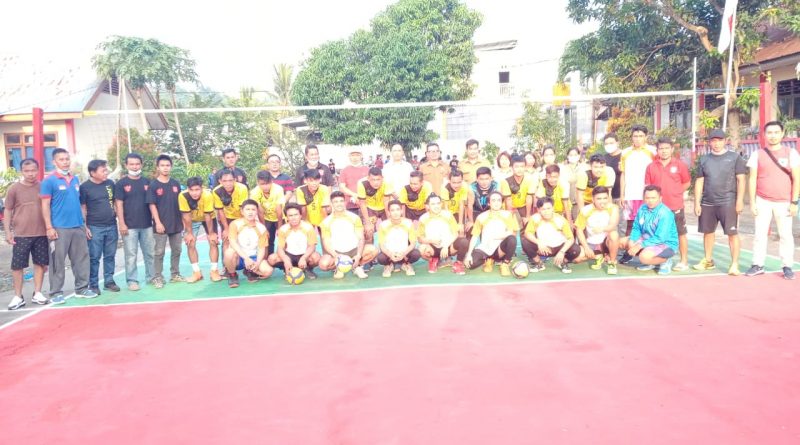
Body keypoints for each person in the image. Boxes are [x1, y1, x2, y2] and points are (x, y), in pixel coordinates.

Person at [745, 120, 800, 279]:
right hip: (763, 200)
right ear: (764, 135)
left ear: (782, 134)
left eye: (776, 132)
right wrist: (753, 202)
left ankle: (787, 266)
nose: (773, 136)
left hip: (784, 202)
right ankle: (757, 264)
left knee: (786, 235)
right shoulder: (757, 154)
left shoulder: (791, 153)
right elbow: (752, 179)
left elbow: (797, 179)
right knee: (760, 234)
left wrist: (794, 202)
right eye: (769, 132)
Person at [40, 148, 96, 303]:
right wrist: (49, 227)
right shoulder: (49, 181)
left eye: (67, 159)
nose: (65, 162)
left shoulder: (75, 179)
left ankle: (82, 288)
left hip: (77, 226)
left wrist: (84, 225)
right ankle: (55, 292)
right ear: (54, 162)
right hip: (59, 228)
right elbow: (45, 205)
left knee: (81, 259)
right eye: (61, 159)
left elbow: (78, 203)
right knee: (57, 261)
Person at [693, 129, 747, 275]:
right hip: (707, 202)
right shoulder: (704, 159)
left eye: (719, 140)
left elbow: (741, 180)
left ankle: (734, 264)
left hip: (728, 202)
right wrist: (697, 202)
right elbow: (699, 181)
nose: (716, 144)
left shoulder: (735, 158)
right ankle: (708, 260)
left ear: (725, 141)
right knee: (708, 232)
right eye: (713, 141)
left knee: (732, 233)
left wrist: (739, 201)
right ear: (709, 142)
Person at [5, 158, 49, 309]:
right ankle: (18, 296)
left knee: (40, 263)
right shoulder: (14, 189)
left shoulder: (44, 187)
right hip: (21, 234)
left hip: (41, 232)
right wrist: (8, 232)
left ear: (38, 170)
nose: (30, 174)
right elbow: (8, 210)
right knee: (17, 266)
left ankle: (38, 293)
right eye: (27, 171)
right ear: (21, 171)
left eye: (33, 170)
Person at [644, 137, 691, 271]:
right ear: (657, 150)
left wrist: (676, 192)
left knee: (680, 233)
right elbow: (648, 186)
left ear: (672, 149)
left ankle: (684, 261)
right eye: (661, 149)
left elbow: (687, 182)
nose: (664, 151)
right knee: (654, 234)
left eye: (666, 148)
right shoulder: (651, 166)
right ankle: (654, 260)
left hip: (675, 206)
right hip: (656, 208)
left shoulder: (680, 165)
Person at [115, 152, 155, 291]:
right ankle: (132, 281)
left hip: (147, 225)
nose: (135, 166)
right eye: (131, 164)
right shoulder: (121, 184)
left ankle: (151, 277)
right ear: (126, 165)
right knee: (131, 255)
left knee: (150, 253)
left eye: (137, 164)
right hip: (129, 226)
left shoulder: (147, 182)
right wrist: (121, 223)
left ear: (141, 165)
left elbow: (152, 203)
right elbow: (118, 204)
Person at [80, 159, 119, 295]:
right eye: (103, 170)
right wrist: (85, 227)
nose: (106, 172)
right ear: (93, 173)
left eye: (106, 170)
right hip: (95, 227)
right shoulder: (85, 187)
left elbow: (114, 202)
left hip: (112, 225)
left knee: (110, 256)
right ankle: (94, 284)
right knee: (94, 257)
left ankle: (109, 281)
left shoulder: (110, 184)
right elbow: (83, 207)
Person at [619, 185, 678, 274]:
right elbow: (636, 227)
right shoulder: (642, 208)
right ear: (644, 198)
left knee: (644, 258)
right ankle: (651, 262)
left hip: (665, 243)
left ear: (660, 198)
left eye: (653, 198)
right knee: (622, 242)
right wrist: (632, 240)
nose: (650, 201)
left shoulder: (665, 213)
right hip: (647, 239)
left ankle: (665, 261)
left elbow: (660, 238)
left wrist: (639, 246)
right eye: (647, 198)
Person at [318, 191, 377, 279]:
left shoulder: (354, 217)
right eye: (336, 202)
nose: (339, 204)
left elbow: (361, 238)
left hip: (354, 250)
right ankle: (339, 268)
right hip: (337, 252)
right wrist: (335, 255)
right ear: (331, 204)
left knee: (373, 250)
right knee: (323, 264)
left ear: (345, 202)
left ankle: (357, 267)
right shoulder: (326, 222)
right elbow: (326, 242)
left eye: (341, 201)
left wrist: (358, 255)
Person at [147, 154, 184, 288]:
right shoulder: (153, 185)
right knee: (159, 252)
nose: (165, 168)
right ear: (158, 167)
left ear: (171, 167)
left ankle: (175, 274)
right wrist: (157, 222)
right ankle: (157, 277)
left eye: (167, 165)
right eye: (162, 165)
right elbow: (152, 205)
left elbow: (181, 203)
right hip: (161, 225)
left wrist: (183, 221)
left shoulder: (175, 184)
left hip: (176, 223)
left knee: (177, 250)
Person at [463, 191, 518, 276]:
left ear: (502, 203)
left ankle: (505, 264)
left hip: (499, 249)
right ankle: (489, 260)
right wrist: (469, 254)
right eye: (493, 200)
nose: (496, 203)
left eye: (499, 200)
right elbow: (475, 236)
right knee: (470, 264)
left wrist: (496, 237)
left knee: (512, 239)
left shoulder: (507, 215)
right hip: (485, 248)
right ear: (489, 203)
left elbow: (512, 232)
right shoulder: (481, 217)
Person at [521, 197, 582, 273]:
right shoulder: (535, 219)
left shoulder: (561, 220)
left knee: (576, 249)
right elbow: (527, 233)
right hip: (544, 249)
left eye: (548, 208)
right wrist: (539, 242)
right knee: (525, 242)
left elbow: (570, 238)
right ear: (538, 210)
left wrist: (562, 251)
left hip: (559, 247)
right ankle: (539, 263)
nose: (546, 212)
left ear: (553, 208)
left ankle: (563, 262)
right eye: (543, 209)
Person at [179, 176, 222, 283]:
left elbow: (207, 216)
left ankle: (214, 270)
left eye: (197, 189)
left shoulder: (207, 195)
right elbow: (186, 216)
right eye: (191, 190)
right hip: (192, 219)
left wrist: (211, 233)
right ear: (188, 189)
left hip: (208, 218)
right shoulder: (182, 196)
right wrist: (189, 233)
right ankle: (196, 272)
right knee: (190, 243)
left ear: (201, 188)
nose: (194, 193)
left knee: (213, 241)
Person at [223, 199, 274, 287]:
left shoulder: (261, 228)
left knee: (268, 271)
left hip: (253, 257)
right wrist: (246, 258)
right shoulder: (235, 224)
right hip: (239, 257)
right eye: (247, 209)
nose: (250, 212)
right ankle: (232, 274)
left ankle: (249, 270)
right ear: (242, 212)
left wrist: (257, 263)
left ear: (257, 212)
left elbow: (261, 248)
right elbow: (233, 243)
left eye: (253, 210)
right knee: (228, 253)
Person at [619, 125, 656, 241]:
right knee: (630, 225)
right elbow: (623, 174)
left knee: (648, 224)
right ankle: (629, 249)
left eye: (641, 136)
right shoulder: (625, 152)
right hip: (630, 194)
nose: (638, 139)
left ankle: (646, 248)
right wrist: (622, 195)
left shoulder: (653, 152)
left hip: (647, 195)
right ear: (631, 137)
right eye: (635, 136)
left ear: (646, 137)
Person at [417, 194, 469, 274]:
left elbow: (455, 234)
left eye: (438, 203)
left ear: (441, 204)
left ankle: (458, 264)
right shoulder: (423, 218)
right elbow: (420, 239)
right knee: (421, 249)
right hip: (433, 247)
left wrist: (446, 246)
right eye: (433, 204)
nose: (436, 206)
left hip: (448, 247)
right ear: (427, 206)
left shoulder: (448, 215)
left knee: (464, 242)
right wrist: (431, 240)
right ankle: (433, 260)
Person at [267, 203, 321, 280]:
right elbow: (280, 248)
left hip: (304, 254)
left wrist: (304, 258)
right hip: (289, 255)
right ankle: (287, 268)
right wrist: (286, 260)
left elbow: (312, 246)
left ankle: (307, 269)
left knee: (316, 257)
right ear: (286, 217)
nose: (294, 218)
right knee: (271, 259)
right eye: (290, 215)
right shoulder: (283, 229)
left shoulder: (308, 227)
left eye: (296, 215)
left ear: (300, 215)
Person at [573, 186, 620, 275]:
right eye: (599, 199)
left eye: (605, 198)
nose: (602, 201)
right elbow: (579, 230)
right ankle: (599, 256)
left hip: (606, 243)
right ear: (593, 199)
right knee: (577, 259)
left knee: (614, 234)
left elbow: (613, 225)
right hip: (592, 242)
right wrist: (586, 248)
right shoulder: (585, 210)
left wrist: (602, 229)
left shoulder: (613, 208)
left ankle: (612, 262)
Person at [376, 200, 421, 277]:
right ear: (389, 212)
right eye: (392, 210)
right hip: (390, 253)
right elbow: (382, 245)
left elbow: (413, 243)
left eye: (397, 209)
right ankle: (389, 265)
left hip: (404, 253)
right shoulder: (383, 225)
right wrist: (390, 255)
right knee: (380, 258)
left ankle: (406, 264)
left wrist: (403, 253)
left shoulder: (408, 223)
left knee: (416, 254)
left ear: (401, 211)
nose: (395, 212)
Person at [213, 168, 250, 251]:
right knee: (226, 239)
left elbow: (243, 209)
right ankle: (226, 259)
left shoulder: (242, 188)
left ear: (235, 180)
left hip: (241, 216)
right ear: (220, 181)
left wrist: (243, 224)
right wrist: (226, 229)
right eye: (224, 181)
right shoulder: (216, 191)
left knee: (242, 239)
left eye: (230, 180)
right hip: (226, 218)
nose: (228, 183)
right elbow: (220, 211)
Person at [250, 170, 285, 255]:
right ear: (258, 183)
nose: (265, 186)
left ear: (271, 181)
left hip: (280, 217)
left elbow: (279, 209)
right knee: (267, 239)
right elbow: (260, 211)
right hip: (266, 218)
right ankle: (268, 258)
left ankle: (283, 259)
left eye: (268, 183)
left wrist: (279, 227)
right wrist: (264, 228)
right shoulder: (254, 192)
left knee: (283, 239)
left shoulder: (278, 189)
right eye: (262, 184)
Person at [499, 154, 536, 226]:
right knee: (512, 224)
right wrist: (510, 216)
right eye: (516, 167)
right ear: (512, 168)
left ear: (525, 167)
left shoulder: (530, 180)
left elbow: (529, 198)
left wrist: (527, 216)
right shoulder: (506, 181)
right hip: (510, 207)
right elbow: (508, 200)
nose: (519, 169)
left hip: (523, 206)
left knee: (528, 223)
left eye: (522, 166)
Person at [357, 167, 392, 240]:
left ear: (382, 178)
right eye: (373, 180)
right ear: (368, 178)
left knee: (390, 227)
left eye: (378, 179)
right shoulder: (361, 183)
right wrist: (367, 222)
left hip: (384, 207)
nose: (376, 182)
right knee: (369, 231)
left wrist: (389, 219)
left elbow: (386, 201)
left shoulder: (387, 182)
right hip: (369, 207)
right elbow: (362, 203)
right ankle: (371, 245)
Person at [337, 147, 370, 214]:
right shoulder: (344, 170)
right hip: (350, 205)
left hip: (366, 204)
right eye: (352, 155)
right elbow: (342, 187)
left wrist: (361, 197)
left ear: (361, 156)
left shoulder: (367, 170)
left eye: (357, 155)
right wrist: (354, 195)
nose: (355, 158)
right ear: (349, 157)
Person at [440, 169, 469, 238]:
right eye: (454, 183)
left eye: (459, 182)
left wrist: (460, 223)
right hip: (446, 212)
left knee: (461, 231)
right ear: (449, 181)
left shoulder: (464, 187)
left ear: (462, 180)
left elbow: (461, 205)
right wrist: (452, 224)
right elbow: (446, 208)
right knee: (451, 231)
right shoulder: (444, 188)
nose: (456, 185)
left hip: (458, 211)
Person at [561, 147, 586, 220]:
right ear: (567, 156)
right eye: (571, 155)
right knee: (568, 222)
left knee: (580, 222)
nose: (573, 157)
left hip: (580, 202)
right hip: (567, 202)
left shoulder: (584, 168)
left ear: (579, 156)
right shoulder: (563, 169)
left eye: (575, 155)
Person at [602, 133, 623, 203]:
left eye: (611, 143)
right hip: (607, 196)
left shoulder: (624, 156)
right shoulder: (603, 158)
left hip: (621, 196)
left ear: (617, 143)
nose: (609, 145)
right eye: (606, 144)